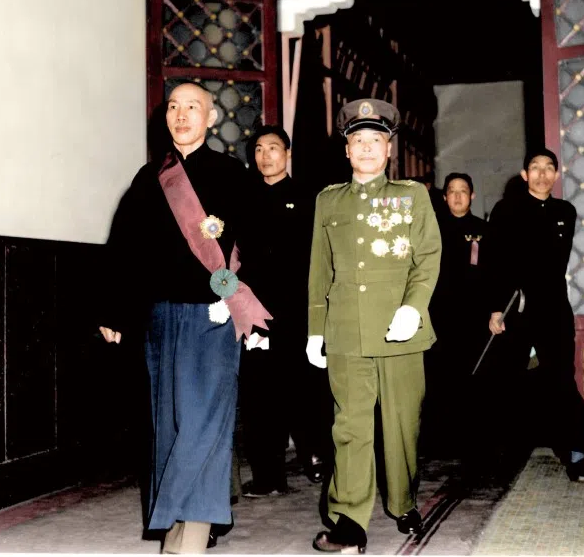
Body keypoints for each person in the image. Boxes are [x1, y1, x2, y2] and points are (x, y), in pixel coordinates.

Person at [99, 82, 272, 554]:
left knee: (204, 422)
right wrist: (115, 309)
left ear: (210, 118)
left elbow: (258, 246)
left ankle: (192, 531)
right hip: (159, 318)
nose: (181, 114)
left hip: (212, 316)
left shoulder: (232, 174)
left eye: (192, 106)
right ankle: (177, 522)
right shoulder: (149, 177)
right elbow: (123, 250)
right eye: (174, 106)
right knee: (170, 423)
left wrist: (244, 301)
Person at [306, 98, 442, 553]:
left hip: (400, 330)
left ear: (389, 149)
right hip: (346, 331)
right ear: (346, 150)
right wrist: (315, 328)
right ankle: (348, 521)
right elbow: (319, 270)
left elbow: (427, 257)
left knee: (402, 426)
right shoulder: (327, 201)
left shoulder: (413, 196)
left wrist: (413, 307)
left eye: (376, 140)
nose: (366, 148)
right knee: (349, 427)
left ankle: (402, 501)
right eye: (358, 140)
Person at [480, 148, 584, 482]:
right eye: (534, 168)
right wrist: (496, 309)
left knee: (562, 381)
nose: (541, 174)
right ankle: (502, 459)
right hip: (515, 309)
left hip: (553, 309)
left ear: (556, 174)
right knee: (508, 383)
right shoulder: (505, 210)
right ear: (524, 175)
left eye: (548, 168)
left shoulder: (565, 210)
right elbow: (492, 262)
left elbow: (552, 263)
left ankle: (579, 457)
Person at [238, 125, 332, 499]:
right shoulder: (243, 197)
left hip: (299, 310)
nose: (265, 156)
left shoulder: (309, 197)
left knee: (309, 392)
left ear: (287, 153)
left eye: (273, 148)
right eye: (259, 149)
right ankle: (268, 475)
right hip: (255, 312)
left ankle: (321, 460)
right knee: (260, 396)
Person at [424, 173, 489, 454]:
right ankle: (437, 441)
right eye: (452, 191)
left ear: (472, 195)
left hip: (473, 317)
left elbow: (494, 275)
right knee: (437, 378)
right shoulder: (430, 229)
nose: (458, 196)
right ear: (444, 196)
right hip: (437, 315)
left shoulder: (484, 230)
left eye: (463, 191)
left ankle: (471, 441)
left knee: (472, 378)